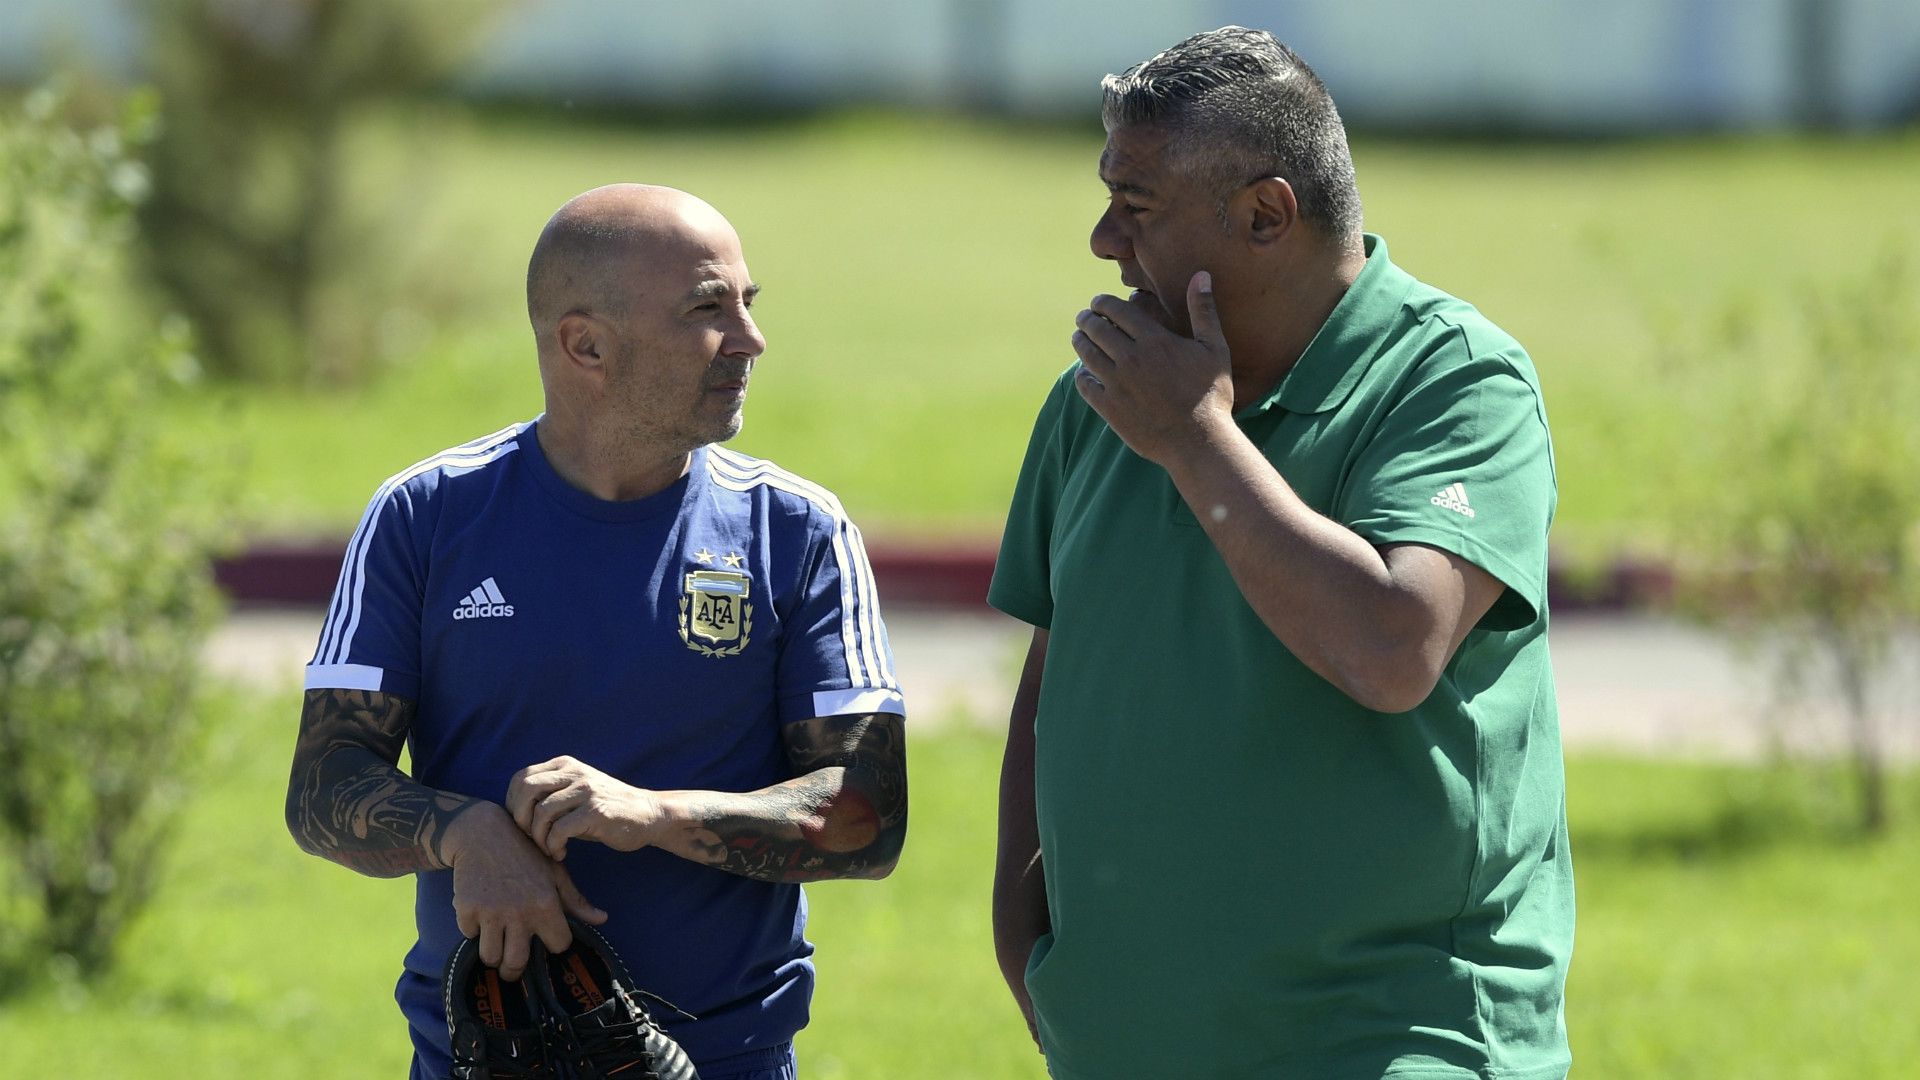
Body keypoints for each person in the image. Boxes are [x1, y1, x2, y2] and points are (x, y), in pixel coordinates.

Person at [989, 27, 1572, 1080]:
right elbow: (1057, 664)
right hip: (1127, 1041)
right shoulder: (1100, 404)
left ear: (1266, 215)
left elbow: (1392, 648)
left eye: (1137, 207)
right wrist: (1024, 934)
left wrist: (1195, 438)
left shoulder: (1455, 383)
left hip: (1390, 1042)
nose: (1102, 241)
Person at [288, 184, 908, 1080]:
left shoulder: (798, 529)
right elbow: (321, 787)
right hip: (479, 1060)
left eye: (749, 303)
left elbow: (870, 816)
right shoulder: (424, 516)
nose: (750, 339)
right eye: (709, 308)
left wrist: (654, 817)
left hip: (731, 1060)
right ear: (585, 344)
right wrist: (466, 833)